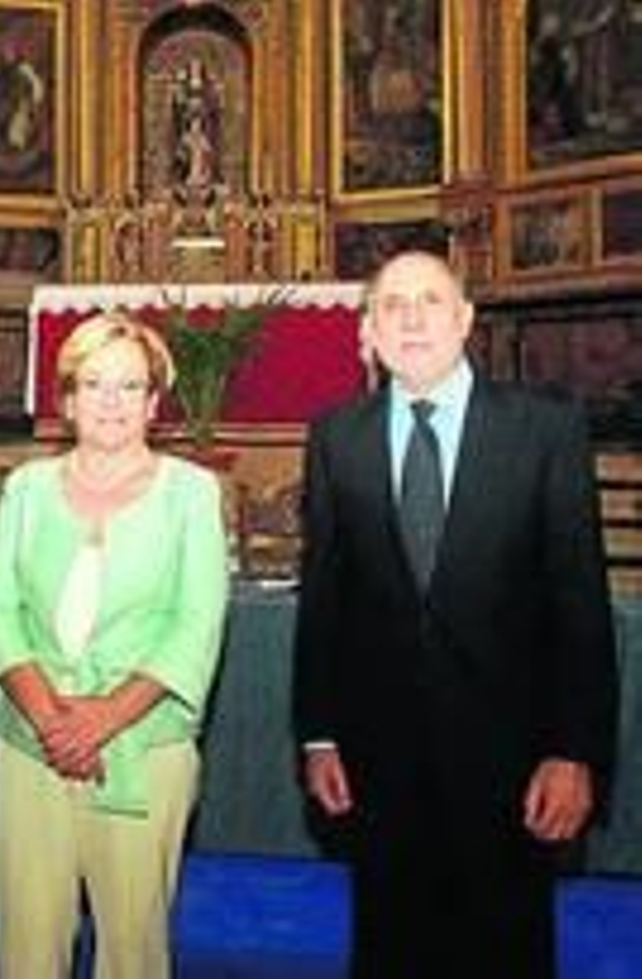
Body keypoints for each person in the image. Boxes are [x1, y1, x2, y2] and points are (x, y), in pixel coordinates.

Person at [293, 250, 618, 979]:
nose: (412, 317)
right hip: (380, 760)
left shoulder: (545, 429)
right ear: (369, 331)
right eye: (393, 304)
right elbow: (325, 601)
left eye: (431, 300)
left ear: (466, 318)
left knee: (505, 949)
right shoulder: (336, 437)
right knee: (390, 947)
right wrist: (317, 735)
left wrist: (575, 752)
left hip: (513, 761)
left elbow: (579, 605)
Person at [0, 312, 228, 979]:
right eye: (93, 383)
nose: (111, 401)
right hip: (30, 741)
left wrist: (103, 717)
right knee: (27, 942)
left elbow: (196, 623)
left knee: (133, 947)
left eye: (129, 385)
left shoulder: (192, 494)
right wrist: (50, 716)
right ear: (66, 399)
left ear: (153, 402)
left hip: (145, 743)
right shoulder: (27, 489)